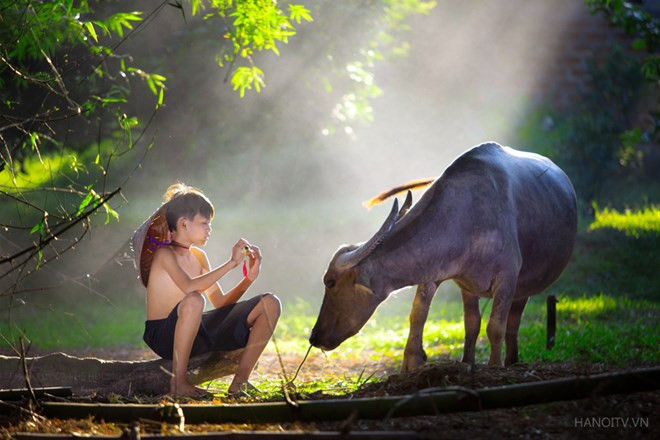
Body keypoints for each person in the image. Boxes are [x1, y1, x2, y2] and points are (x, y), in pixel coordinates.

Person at [141, 183, 281, 397]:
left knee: (270, 303)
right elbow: (188, 287)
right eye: (204, 223)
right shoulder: (165, 255)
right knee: (195, 300)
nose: (209, 229)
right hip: (163, 335)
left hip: (196, 328)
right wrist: (231, 263)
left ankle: (240, 382)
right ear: (184, 224)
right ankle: (178, 383)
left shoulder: (198, 256)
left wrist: (248, 279)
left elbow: (221, 303)